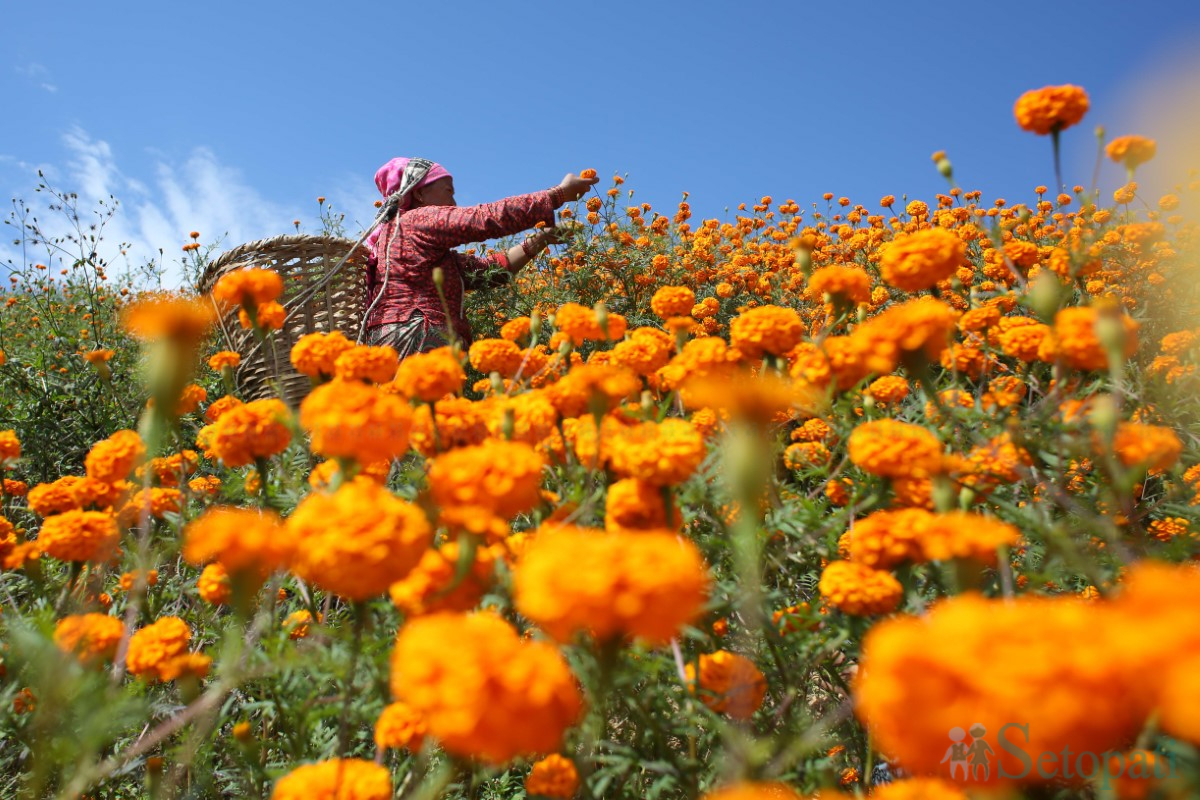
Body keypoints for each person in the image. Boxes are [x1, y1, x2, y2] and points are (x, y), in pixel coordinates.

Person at [361, 157, 598, 357]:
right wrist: (558, 195)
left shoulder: (409, 240)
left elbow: (488, 273)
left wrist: (539, 241)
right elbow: (482, 218)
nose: (454, 203)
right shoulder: (416, 220)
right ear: (421, 193)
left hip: (398, 337)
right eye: (448, 192)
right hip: (416, 334)